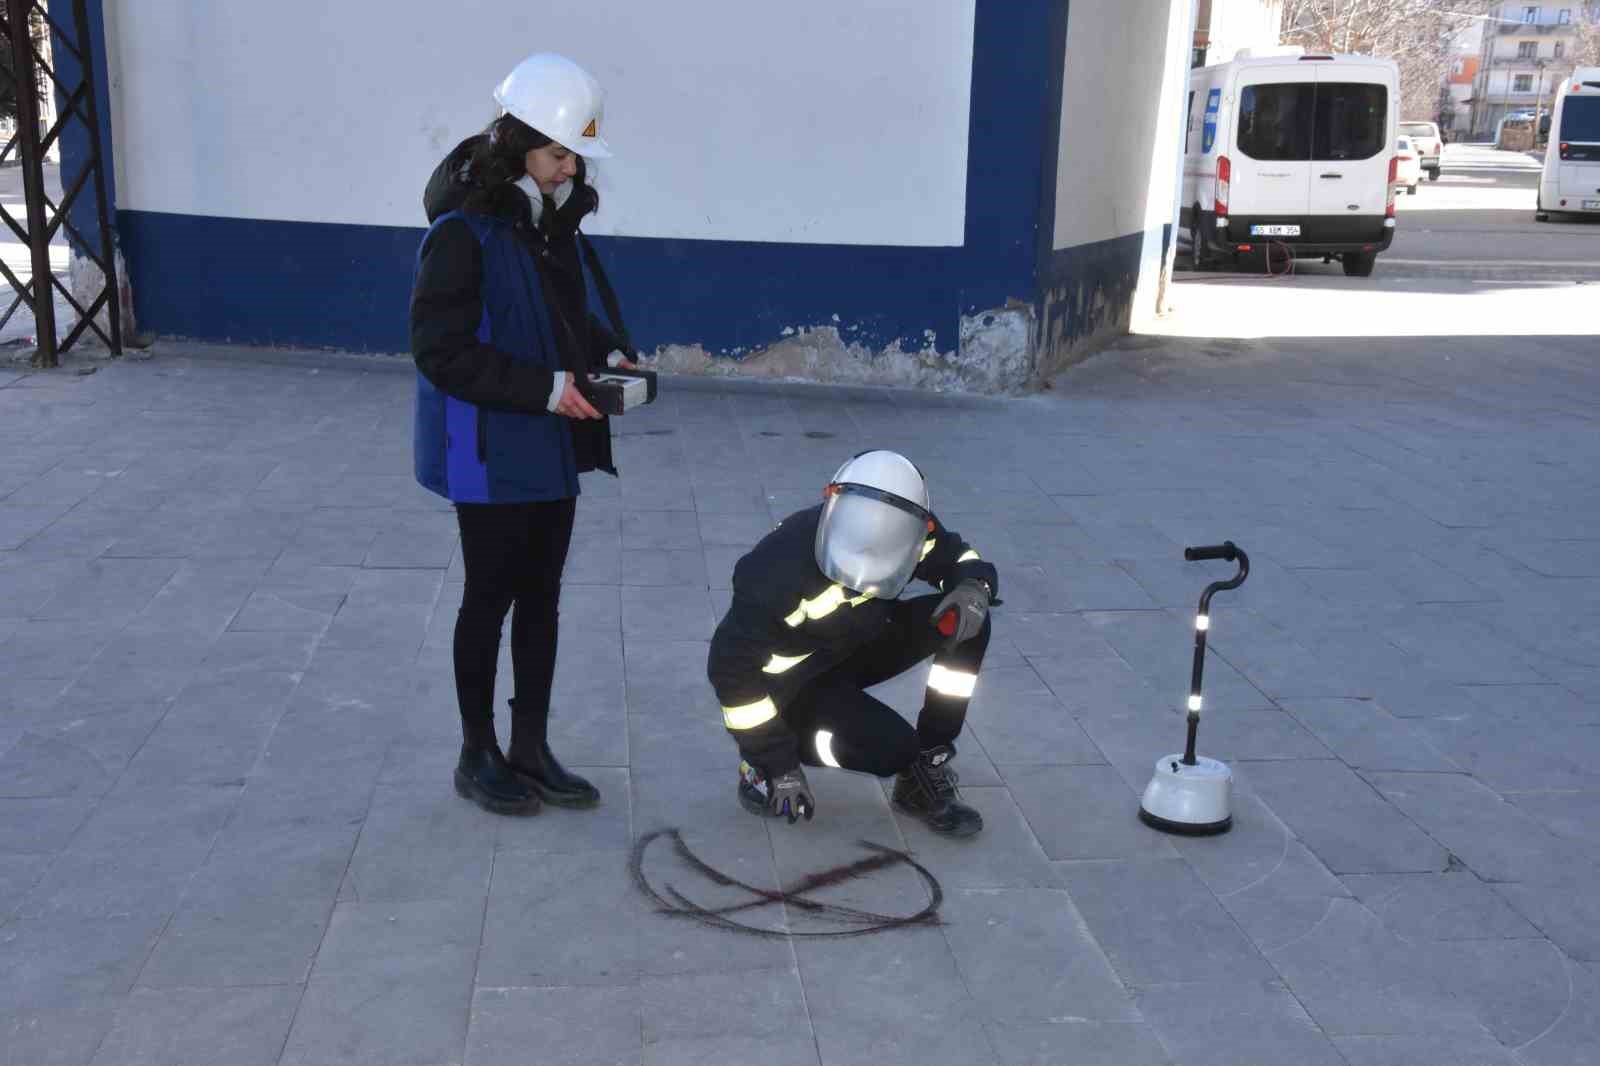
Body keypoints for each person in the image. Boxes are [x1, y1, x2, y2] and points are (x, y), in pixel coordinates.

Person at [411, 53, 636, 815]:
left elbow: (563, 317)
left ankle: (531, 746)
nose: (569, 167)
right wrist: (546, 388)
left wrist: (606, 352)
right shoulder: (461, 234)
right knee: (491, 595)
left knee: (542, 594)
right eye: (557, 152)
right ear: (515, 144)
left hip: (549, 435)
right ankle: (478, 753)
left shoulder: (550, 222)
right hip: (488, 443)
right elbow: (440, 352)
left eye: (574, 155)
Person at [706, 450, 1000, 837]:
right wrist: (776, 760)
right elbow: (731, 674)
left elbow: (956, 556)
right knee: (892, 750)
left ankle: (927, 763)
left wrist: (975, 585)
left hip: (855, 642)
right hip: (793, 688)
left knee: (966, 622)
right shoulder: (774, 573)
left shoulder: (907, 529)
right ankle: (761, 769)